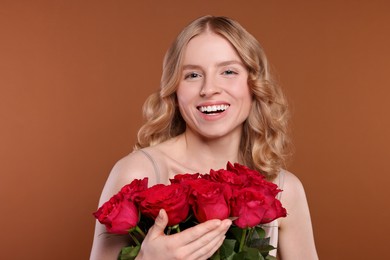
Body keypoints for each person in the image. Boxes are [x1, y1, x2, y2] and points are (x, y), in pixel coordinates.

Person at [90, 15, 318, 260]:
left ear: (254, 84)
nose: (209, 89)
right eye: (192, 75)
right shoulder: (136, 173)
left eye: (228, 71)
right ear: (174, 89)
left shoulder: (286, 189)